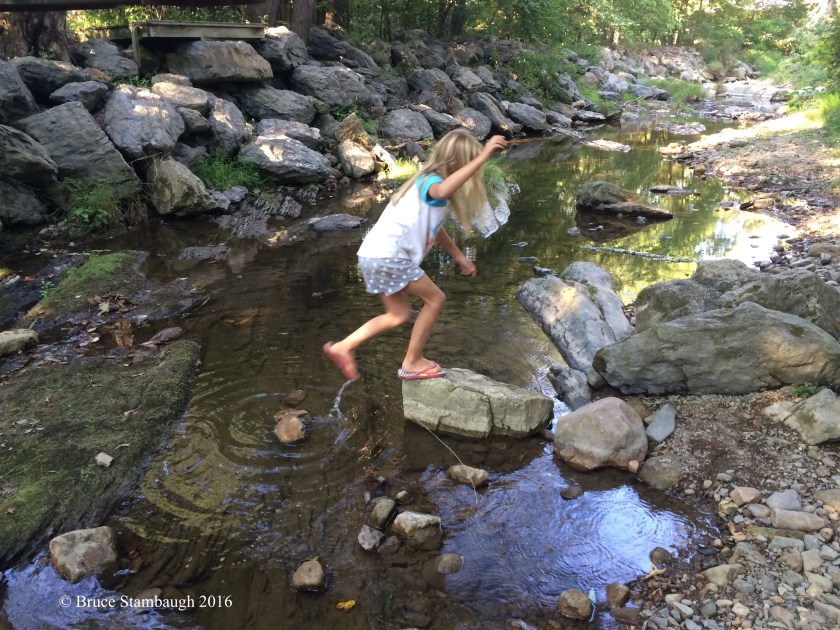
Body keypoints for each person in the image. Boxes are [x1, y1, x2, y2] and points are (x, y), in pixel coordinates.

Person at [323, 129, 508, 381]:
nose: (471, 173)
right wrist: (484, 155)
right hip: (389, 257)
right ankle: (411, 361)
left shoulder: (431, 192)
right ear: (455, 161)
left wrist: (458, 256)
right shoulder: (431, 183)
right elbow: (442, 191)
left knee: (397, 315)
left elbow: (435, 228)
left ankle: (343, 346)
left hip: (374, 255)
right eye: (469, 164)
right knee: (436, 300)